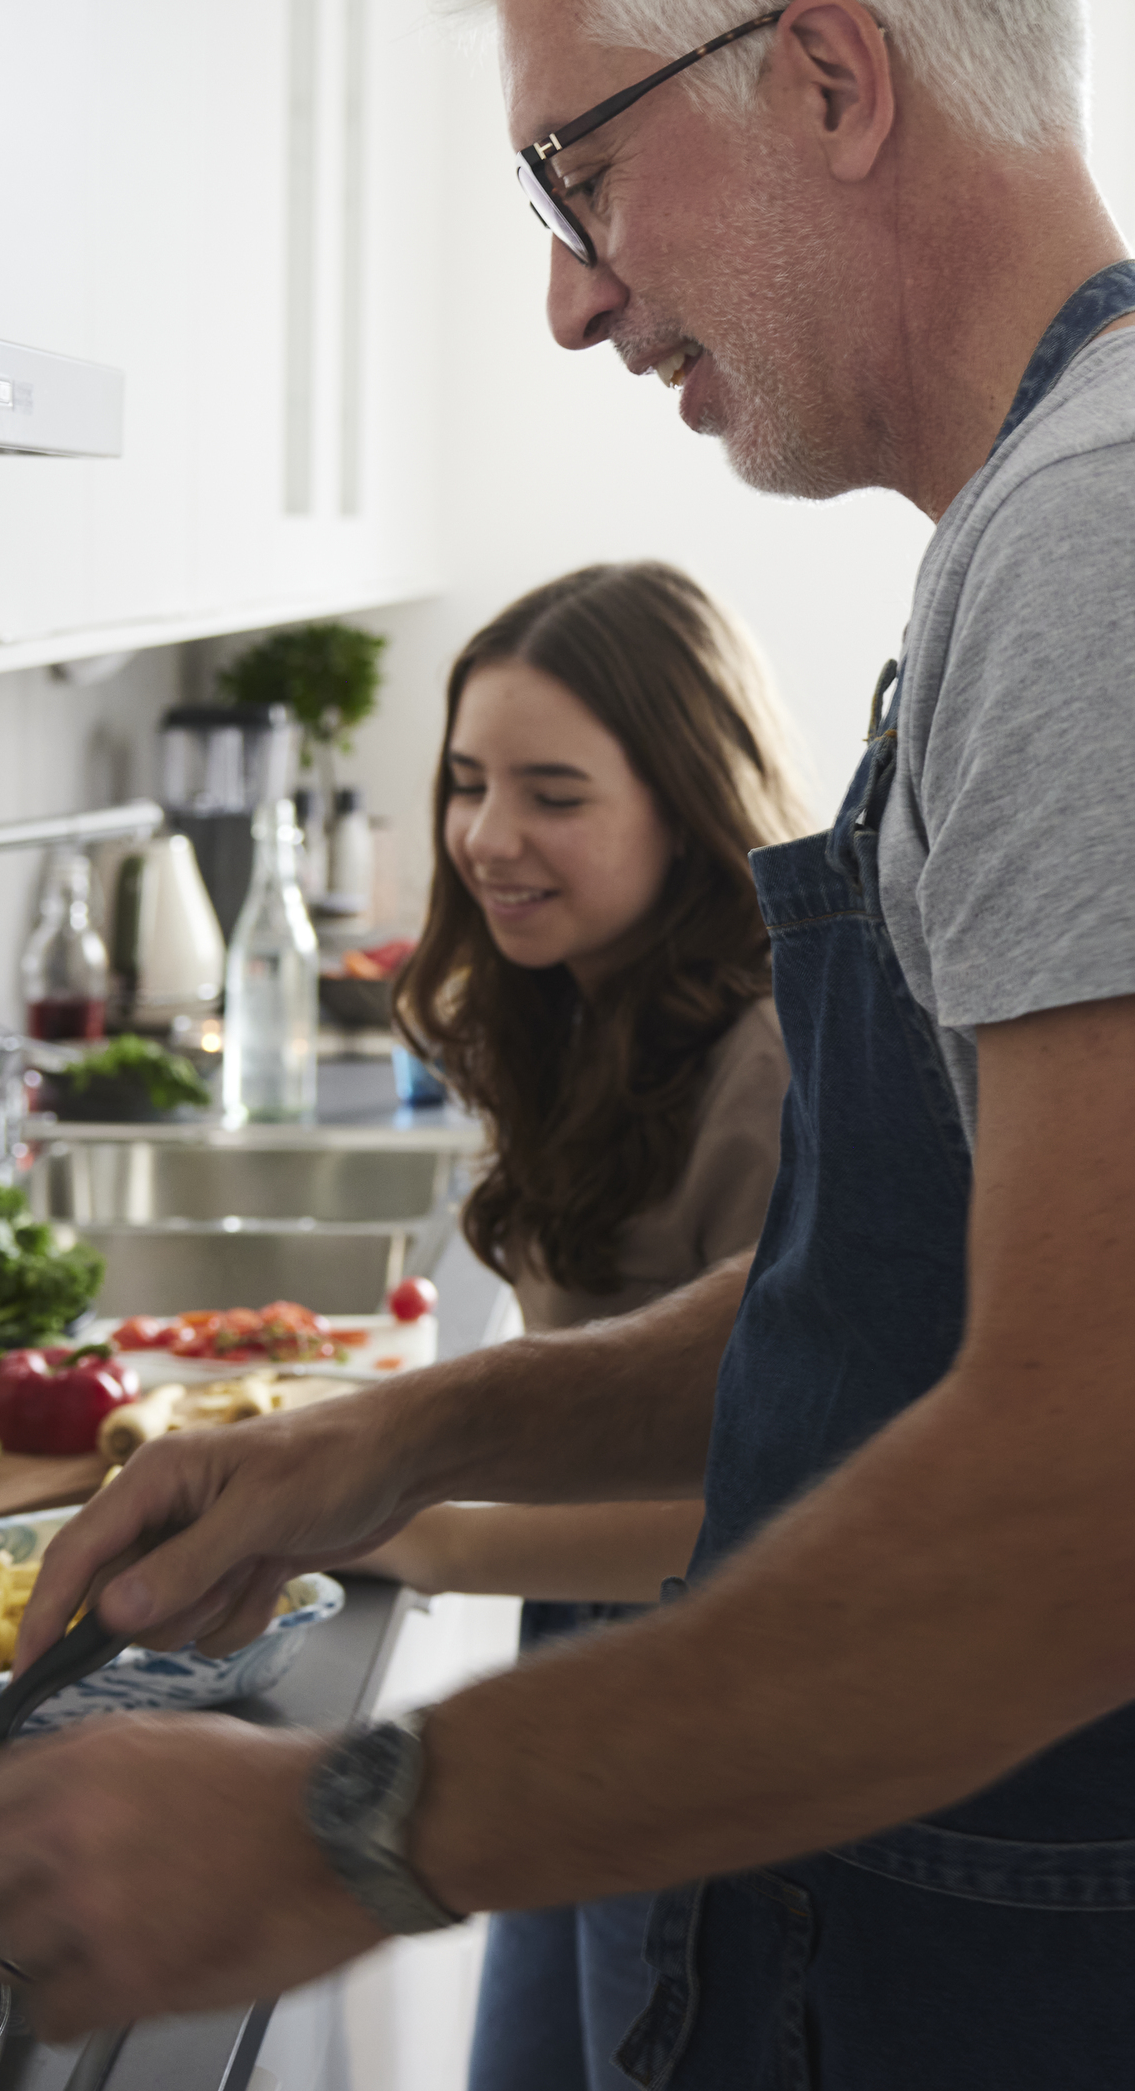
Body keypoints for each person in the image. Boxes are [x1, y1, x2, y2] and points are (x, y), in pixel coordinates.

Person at [0, 0, 1135, 2087]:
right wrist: (397, 1440)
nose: (574, 298)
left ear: (823, 81)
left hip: (1081, 1940)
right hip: (992, 1878)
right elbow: (909, 1307)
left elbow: (1118, 1515)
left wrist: (352, 1824)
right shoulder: (1055, 533)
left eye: (577, 173)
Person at [361, 561, 803, 2091]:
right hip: (587, 1656)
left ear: (684, 801)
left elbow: (775, 1504)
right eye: (469, 782)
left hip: (720, 1706)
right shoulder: (574, 1002)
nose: (488, 837)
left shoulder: (771, 1062)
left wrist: (418, 1525)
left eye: (554, 794)